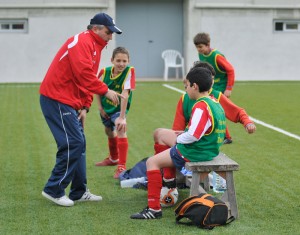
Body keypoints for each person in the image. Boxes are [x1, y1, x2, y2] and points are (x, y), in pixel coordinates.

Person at [39, 13, 123, 207]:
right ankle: (54, 189)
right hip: (56, 98)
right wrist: (106, 90)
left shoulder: (95, 45)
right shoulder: (81, 42)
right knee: (73, 143)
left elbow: (86, 78)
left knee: (80, 143)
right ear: (95, 29)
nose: (111, 37)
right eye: (108, 32)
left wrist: (85, 106)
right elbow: (84, 74)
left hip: (69, 101)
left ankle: (78, 191)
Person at [130, 67, 226, 219]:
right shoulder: (215, 103)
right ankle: (168, 183)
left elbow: (194, 135)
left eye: (187, 86)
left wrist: (178, 140)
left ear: (195, 86)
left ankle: (154, 209)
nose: (186, 90)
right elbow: (203, 131)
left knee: (151, 162)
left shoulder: (201, 106)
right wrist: (182, 135)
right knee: (161, 133)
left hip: (195, 151)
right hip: (209, 149)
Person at [153, 62, 256, 189]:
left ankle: (170, 182)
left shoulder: (215, 97)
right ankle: (168, 180)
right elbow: (177, 127)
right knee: (160, 134)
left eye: (211, 79)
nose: (210, 83)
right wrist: (180, 137)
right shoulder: (185, 98)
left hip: (201, 145)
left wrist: (247, 122)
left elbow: (237, 111)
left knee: (161, 143)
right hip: (191, 141)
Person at [94, 47, 136, 179]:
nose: (121, 64)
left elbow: (125, 94)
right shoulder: (104, 72)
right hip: (106, 109)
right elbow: (97, 88)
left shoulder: (130, 71)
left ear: (128, 61)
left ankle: (121, 167)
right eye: (118, 60)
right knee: (108, 131)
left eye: (124, 61)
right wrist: (100, 108)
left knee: (121, 129)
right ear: (112, 60)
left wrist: (122, 117)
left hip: (119, 110)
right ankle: (113, 158)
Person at [194, 32, 235, 144]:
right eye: (197, 47)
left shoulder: (217, 56)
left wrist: (229, 88)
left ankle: (227, 137)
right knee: (211, 108)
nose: (199, 49)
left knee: (218, 109)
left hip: (221, 85)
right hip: (211, 84)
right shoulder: (201, 54)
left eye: (201, 47)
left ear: (208, 45)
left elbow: (230, 70)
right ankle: (220, 135)